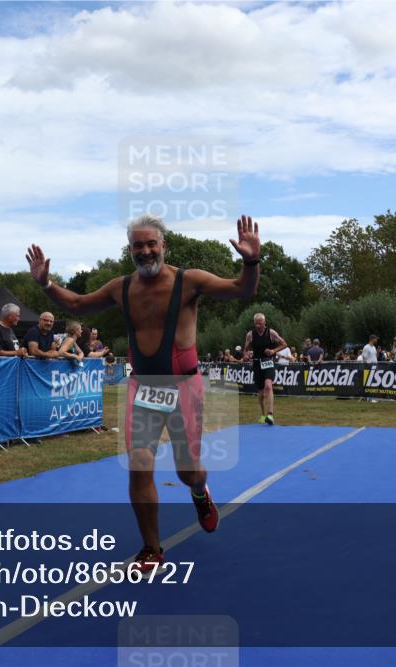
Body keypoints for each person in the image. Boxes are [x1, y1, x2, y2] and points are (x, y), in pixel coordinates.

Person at [27, 213, 261, 570]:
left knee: (188, 472)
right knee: (139, 466)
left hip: (184, 385)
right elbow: (76, 304)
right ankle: (152, 548)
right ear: (130, 249)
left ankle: (200, 492)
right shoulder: (121, 287)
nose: (146, 251)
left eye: (152, 244)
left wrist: (250, 260)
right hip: (144, 388)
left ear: (164, 246)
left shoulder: (189, 281)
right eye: (138, 245)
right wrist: (46, 285)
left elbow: (243, 289)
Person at [243, 312, 288, 425]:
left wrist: (273, 351)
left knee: (268, 385)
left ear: (264, 322)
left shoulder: (271, 333)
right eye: (256, 324)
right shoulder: (250, 335)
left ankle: (270, 415)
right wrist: (246, 355)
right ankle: (263, 415)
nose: (258, 326)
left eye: (260, 323)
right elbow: (246, 348)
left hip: (268, 362)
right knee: (261, 392)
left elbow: (284, 344)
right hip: (257, 363)